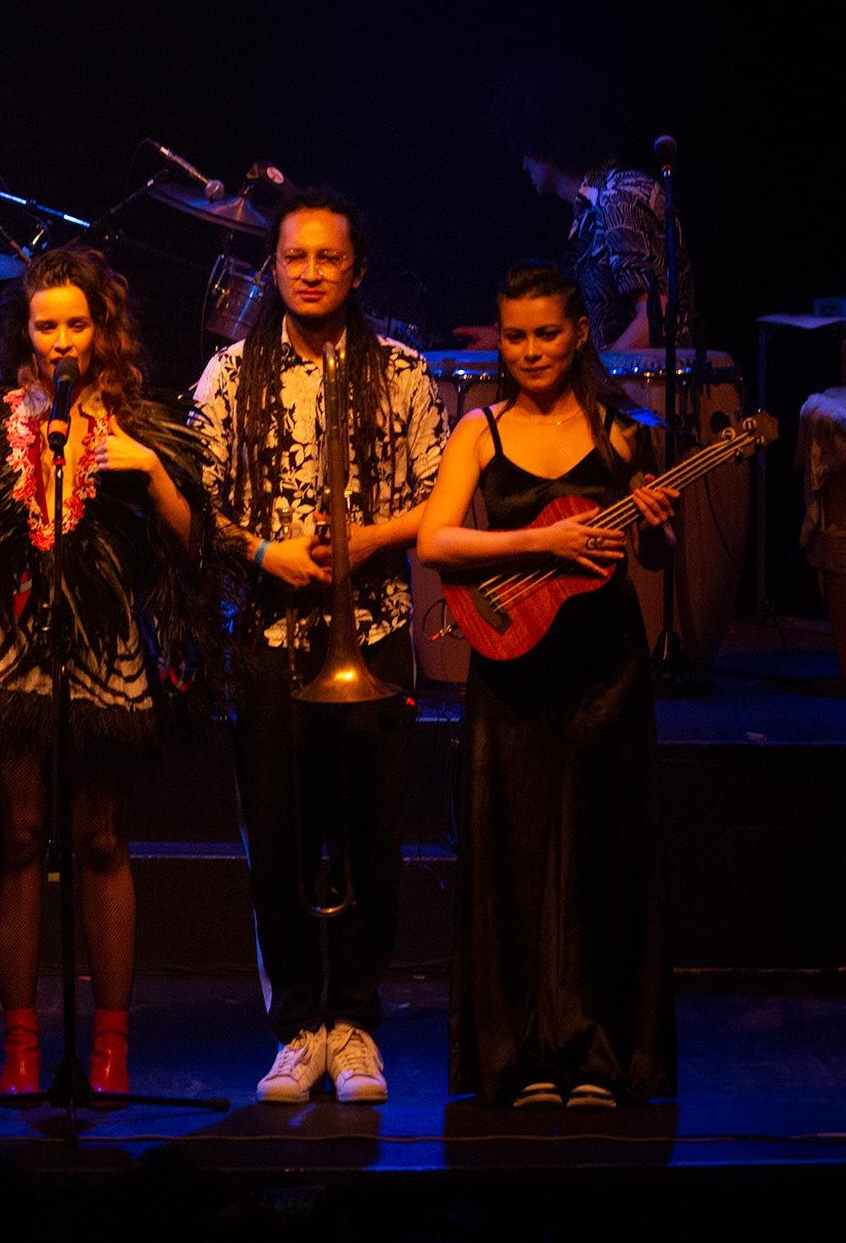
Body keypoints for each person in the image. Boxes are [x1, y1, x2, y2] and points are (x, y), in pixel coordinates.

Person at [0, 247, 213, 1098]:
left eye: (79, 323)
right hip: (9, 652)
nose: (64, 340)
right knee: (16, 841)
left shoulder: (144, 430)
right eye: (48, 326)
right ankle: (20, 1048)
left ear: (102, 330)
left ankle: (109, 1048)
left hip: (105, 653)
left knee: (103, 840)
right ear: (27, 335)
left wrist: (150, 474)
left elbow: (197, 548)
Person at [192, 188, 448, 1105]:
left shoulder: (406, 373)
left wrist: (372, 540)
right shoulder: (227, 376)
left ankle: (357, 1024)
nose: (308, 273)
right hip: (267, 634)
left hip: (373, 633)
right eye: (293, 258)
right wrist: (269, 552)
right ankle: (300, 1026)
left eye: (327, 258)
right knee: (280, 840)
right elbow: (196, 506)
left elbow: (439, 496)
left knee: (374, 839)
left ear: (357, 270)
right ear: (273, 267)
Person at [416, 260, 679, 1109]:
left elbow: (653, 557)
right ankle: (522, 1054)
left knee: (603, 852)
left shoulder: (625, 430)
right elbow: (438, 544)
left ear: (578, 335)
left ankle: (600, 1054)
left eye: (546, 334)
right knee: (517, 857)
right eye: (516, 336)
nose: (530, 351)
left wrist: (659, 534)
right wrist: (542, 545)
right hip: (515, 667)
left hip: (606, 665)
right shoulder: (479, 431)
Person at [486, 59, 695, 351]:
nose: (522, 162)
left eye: (525, 147)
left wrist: (594, 391)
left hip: (643, 395)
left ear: (544, 139)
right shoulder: (588, 211)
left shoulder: (620, 196)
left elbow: (655, 316)